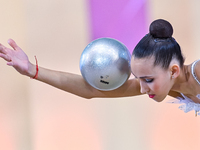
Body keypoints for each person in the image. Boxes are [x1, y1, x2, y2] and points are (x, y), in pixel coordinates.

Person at [0, 19, 200, 116]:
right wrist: (32, 70)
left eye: (147, 79)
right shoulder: (170, 85)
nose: (141, 88)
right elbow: (92, 89)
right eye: (138, 78)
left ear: (173, 70)